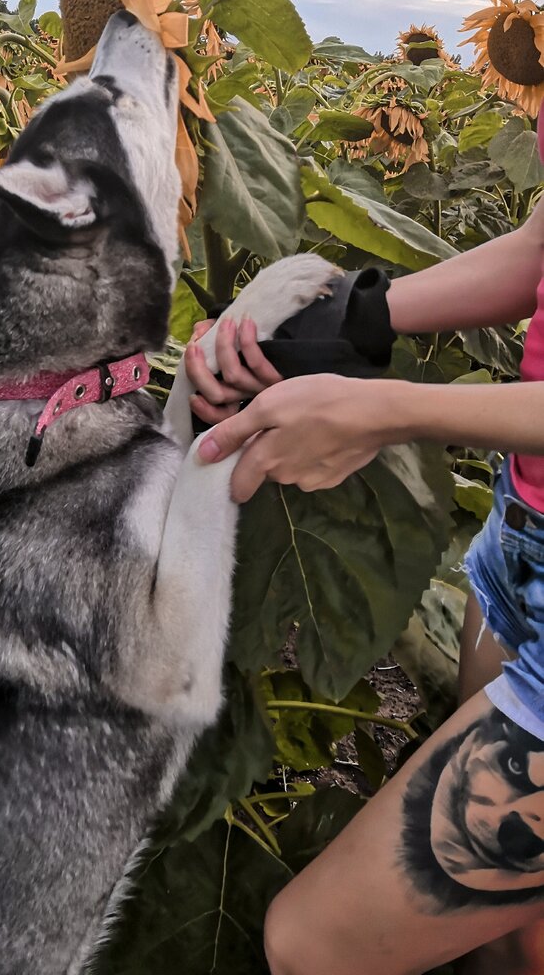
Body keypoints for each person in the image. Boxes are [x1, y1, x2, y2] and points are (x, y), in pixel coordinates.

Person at [186, 171, 544, 975]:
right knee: (509, 930)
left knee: (315, 946)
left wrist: (388, 410)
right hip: (522, 535)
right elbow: (540, 249)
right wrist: (341, 316)